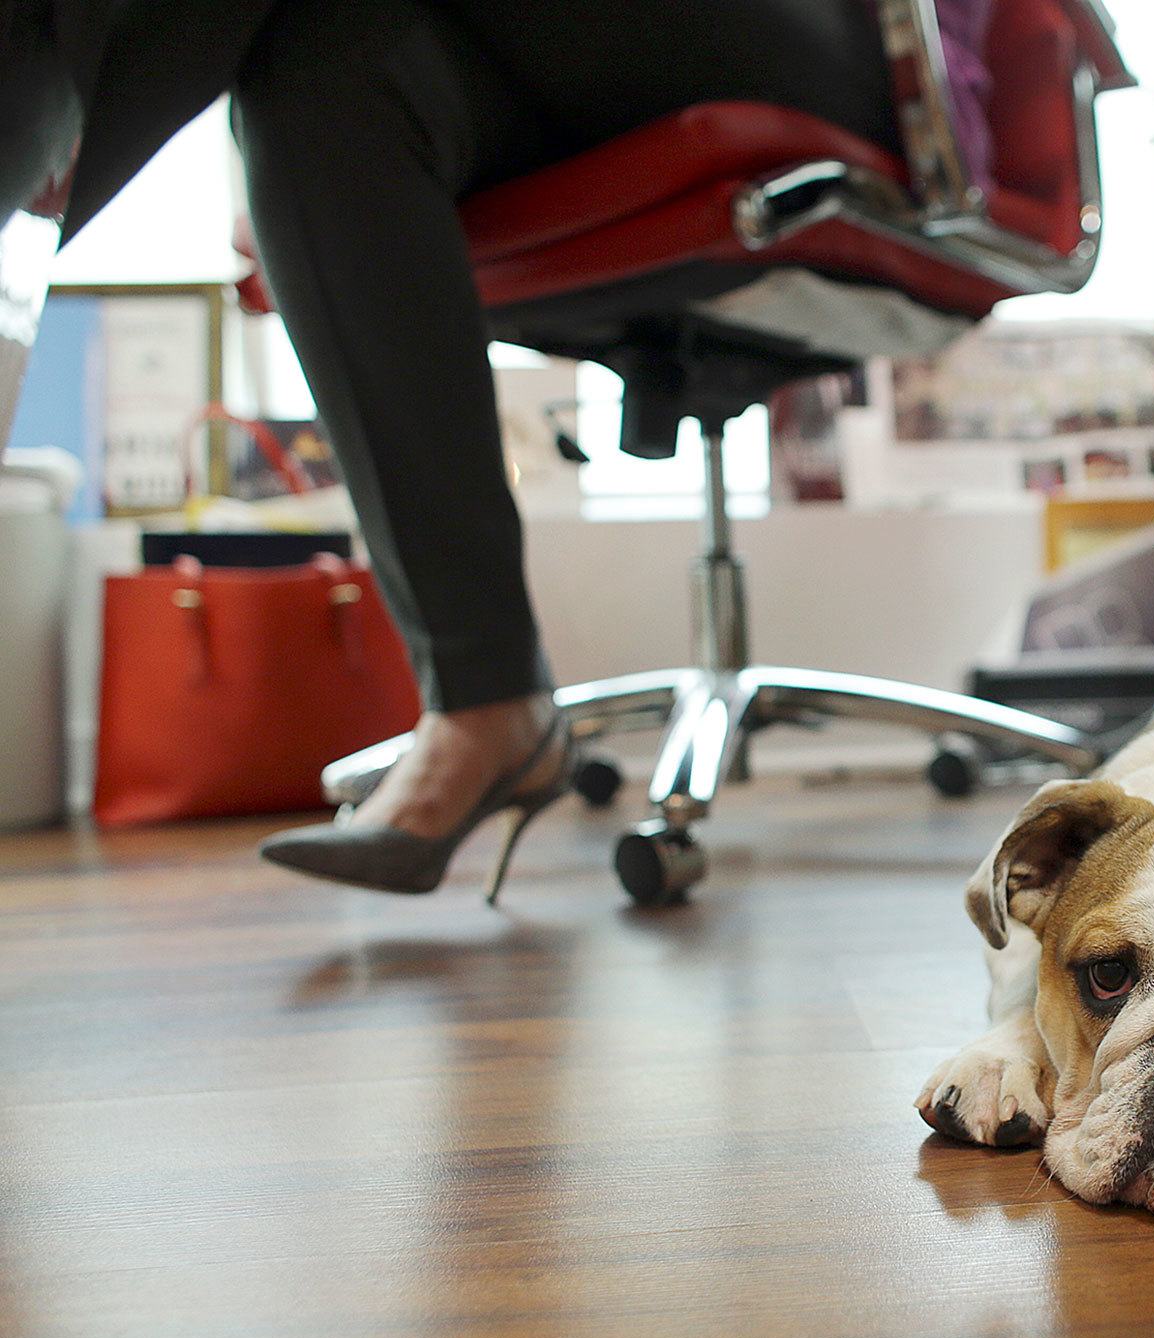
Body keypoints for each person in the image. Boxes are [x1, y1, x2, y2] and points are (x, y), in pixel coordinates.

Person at [19, 1, 961, 894]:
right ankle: (486, 697)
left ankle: (22, 214)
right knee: (323, 76)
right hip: (547, 64)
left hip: (823, 43)